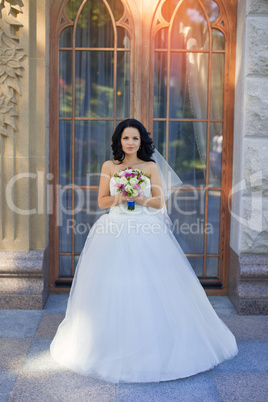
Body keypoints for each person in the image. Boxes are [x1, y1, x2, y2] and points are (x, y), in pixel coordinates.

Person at [50, 119, 238, 384]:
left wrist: (137, 196)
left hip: (146, 228)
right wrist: (122, 195)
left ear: (142, 142)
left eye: (135, 138)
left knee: (150, 286)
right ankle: (109, 343)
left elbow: (159, 201)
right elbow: (102, 200)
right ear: (118, 141)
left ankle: (156, 340)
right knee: (113, 288)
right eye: (126, 138)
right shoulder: (109, 166)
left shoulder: (150, 167)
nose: (130, 143)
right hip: (114, 228)